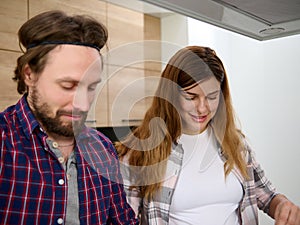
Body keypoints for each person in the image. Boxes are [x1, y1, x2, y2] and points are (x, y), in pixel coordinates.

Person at [116, 46, 300, 225]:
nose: (202, 108)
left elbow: (267, 196)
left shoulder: (235, 144)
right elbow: (124, 220)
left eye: (212, 97)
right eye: (191, 97)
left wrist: (282, 206)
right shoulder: (139, 153)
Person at [0, 10, 139, 225]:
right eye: (68, 86)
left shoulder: (103, 149)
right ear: (29, 75)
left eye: (91, 87)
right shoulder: (3, 143)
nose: (82, 105)